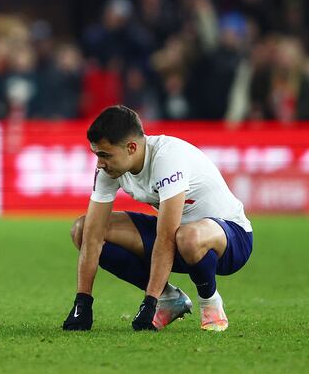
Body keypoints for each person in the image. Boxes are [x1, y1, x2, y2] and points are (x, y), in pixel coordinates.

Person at [62, 105, 253, 332]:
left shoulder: (167, 157)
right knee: (82, 230)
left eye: (105, 155)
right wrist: (82, 303)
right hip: (178, 240)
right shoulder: (110, 169)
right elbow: (93, 235)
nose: (100, 163)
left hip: (231, 239)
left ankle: (210, 300)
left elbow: (166, 237)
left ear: (131, 147)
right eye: (97, 155)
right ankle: (170, 298)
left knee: (187, 236)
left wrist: (149, 303)